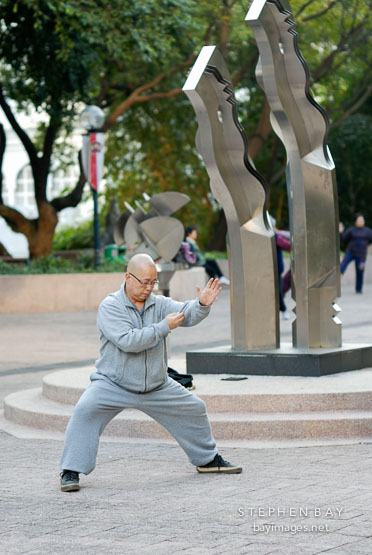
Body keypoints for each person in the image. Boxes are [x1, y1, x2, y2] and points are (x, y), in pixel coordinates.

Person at [60, 254, 242, 492]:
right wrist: (163, 326)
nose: (148, 288)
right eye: (144, 282)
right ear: (128, 277)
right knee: (85, 410)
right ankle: (70, 470)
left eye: (152, 282)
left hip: (157, 385)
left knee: (194, 407)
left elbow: (185, 313)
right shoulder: (110, 306)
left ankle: (207, 460)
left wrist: (202, 305)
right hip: (113, 384)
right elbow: (129, 341)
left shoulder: (159, 303)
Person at [339, 213, 372, 294]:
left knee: (360, 272)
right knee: (341, 268)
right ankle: (335, 284)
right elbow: (343, 238)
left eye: (362, 220)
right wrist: (340, 232)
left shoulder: (368, 231)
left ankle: (358, 289)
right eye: (359, 220)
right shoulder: (351, 230)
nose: (361, 221)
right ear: (355, 222)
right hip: (350, 252)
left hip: (361, 256)